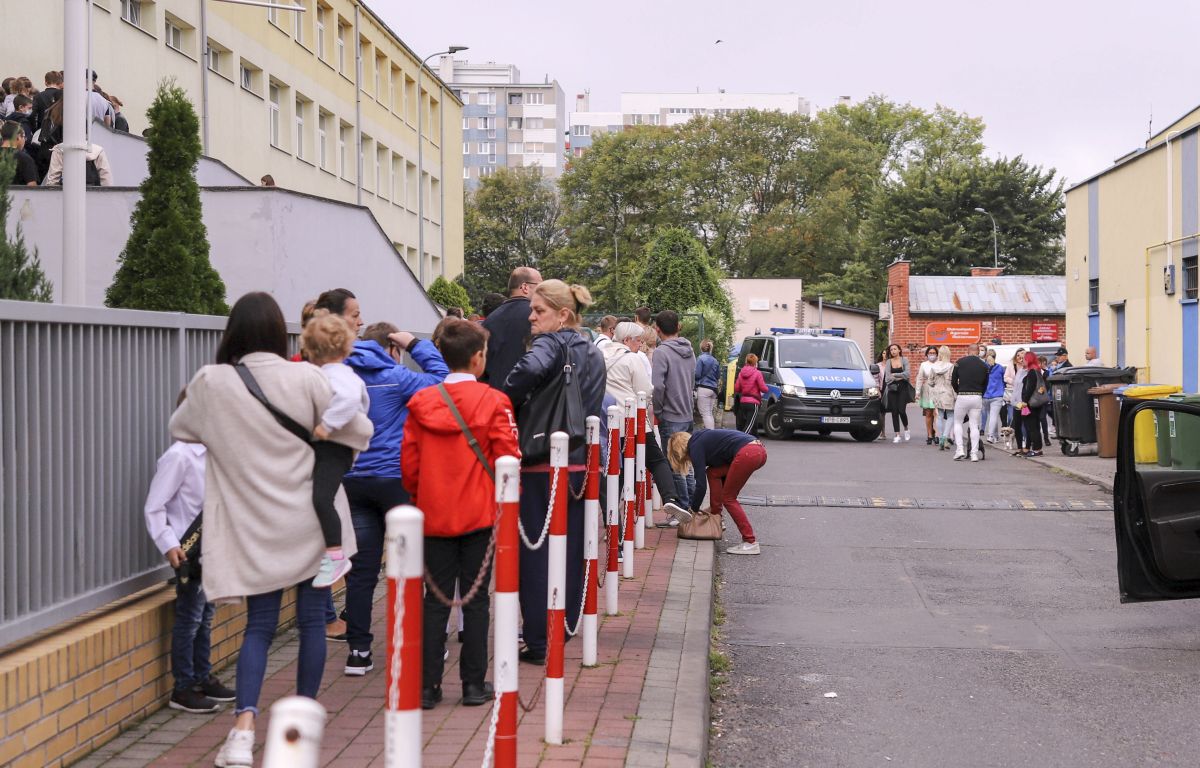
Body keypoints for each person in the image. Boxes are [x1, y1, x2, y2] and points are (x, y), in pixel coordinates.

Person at [170, 292, 368, 767]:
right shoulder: (307, 376)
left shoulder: (211, 381)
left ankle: (242, 729)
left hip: (253, 524)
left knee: (258, 626)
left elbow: (182, 428)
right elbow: (356, 429)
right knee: (312, 618)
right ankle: (300, 725)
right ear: (281, 334)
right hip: (312, 521)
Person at [403, 320, 518, 710]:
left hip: (434, 512)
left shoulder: (421, 403)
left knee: (433, 602)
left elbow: (410, 466)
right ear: (477, 357)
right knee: (477, 601)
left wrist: (423, 498)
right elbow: (507, 457)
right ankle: (473, 684)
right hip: (480, 512)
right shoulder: (494, 401)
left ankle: (426, 686)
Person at [502, 280, 606, 665]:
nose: (530, 317)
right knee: (571, 548)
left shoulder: (550, 342)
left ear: (562, 314)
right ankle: (563, 623)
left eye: (538, 310)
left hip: (541, 462)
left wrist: (506, 398)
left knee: (534, 551)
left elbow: (529, 368)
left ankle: (537, 638)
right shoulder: (593, 353)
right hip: (578, 465)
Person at [341, 320, 448, 675]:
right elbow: (443, 379)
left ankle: (358, 651)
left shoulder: (339, 374)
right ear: (392, 349)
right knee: (411, 563)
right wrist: (417, 344)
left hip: (352, 480)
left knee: (361, 570)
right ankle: (420, 641)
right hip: (395, 480)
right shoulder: (397, 377)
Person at [143, 391, 235, 715]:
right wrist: (169, 544)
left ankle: (202, 676)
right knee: (190, 617)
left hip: (213, 547)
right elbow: (155, 506)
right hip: (189, 550)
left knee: (206, 616)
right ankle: (183, 687)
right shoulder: (179, 456)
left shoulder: (214, 452)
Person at [301, 311, 373, 589]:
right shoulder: (340, 373)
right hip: (337, 447)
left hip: (336, 446)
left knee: (321, 497)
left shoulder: (337, 376)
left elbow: (349, 400)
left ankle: (335, 554)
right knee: (319, 496)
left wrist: (326, 426)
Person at [604, 321, 693, 526]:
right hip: (634, 420)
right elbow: (645, 388)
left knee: (616, 468)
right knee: (657, 460)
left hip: (609, 422)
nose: (640, 344)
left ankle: (612, 515)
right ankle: (670, 498)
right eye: (637, 340)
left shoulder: (601, 355)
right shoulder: (632, 359)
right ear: (626, 340)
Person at [667, 429, 767, 555]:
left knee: (729, 498)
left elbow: (701, 486)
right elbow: (721, 473)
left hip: (748, 453)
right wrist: (714, 510)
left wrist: (693, 510)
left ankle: (750, 541)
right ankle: (717, 517)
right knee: (713, 472)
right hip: (758, 450)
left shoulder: (695, 446)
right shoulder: (701, 439)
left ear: (679, 451)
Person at [653, 310, 698, 503]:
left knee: (674, 465)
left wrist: (657, 410)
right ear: (678, 326)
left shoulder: (661, 352)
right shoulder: (689, 349)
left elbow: (657, 386)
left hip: (670, 414)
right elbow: (693, 379)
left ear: (657, 329)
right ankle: (693, 505)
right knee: (686, 463)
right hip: (687, 413)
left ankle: (682, 508)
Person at [482, 266, 542, 387]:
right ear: (525, 287)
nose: (542, 291)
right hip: (529, 393)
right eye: (539, 286)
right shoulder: (538, 317)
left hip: (496, 395)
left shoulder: (489, 320)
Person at [951, 348, 988, 462]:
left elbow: (953, 380)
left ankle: (960, 450)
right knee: (974, 425)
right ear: (978, 352)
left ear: (968, 350)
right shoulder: (984, 365)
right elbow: (986, 383)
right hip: (976, 396)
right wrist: (980, 393)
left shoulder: (959, 362)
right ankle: (974, 454)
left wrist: (958, 390)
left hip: (963, 395)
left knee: (957, 422)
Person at [1018, 351, 1048, 457]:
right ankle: (1031, 448)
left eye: (1025, 359)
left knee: (1032, 427)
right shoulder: (1037, 370)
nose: (1023, 361)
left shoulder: (1032, 372)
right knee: (1033, 426)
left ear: (1029, 360)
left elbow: (1029, 388)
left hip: (1030, 403)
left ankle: (1037, 449)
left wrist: (1024, 402)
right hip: (1036, 403)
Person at [882, 343, 913, 443]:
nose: (893, 351)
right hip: (892, 388)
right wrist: (900, 376)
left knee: (901, 410)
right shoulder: (888, 362)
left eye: (895, 349)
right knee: (894, 411)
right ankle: (897, 434)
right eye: (891, 350)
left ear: (899, 350)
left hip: (903, 387)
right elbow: (888, 377)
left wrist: (895, 374)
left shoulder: (904, 360)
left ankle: (906, 428)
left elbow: (907, 374)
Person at [44, 141, 113, 186]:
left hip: (67, 198)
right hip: (95, 196)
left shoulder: (59, 150)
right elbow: (107, 182)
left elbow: (52, 181)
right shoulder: (98, 150)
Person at [928, 346, 956, 450]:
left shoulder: (934, 366)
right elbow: (954, 381)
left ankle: (940, 438)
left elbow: (930, 382)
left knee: (939, 415)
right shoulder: (951, 366)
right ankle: (945, 437)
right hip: (948, 392)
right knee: (950, 415)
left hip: (937, 393)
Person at [734, 353, 768, 435]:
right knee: (749, 425)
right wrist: (767, 388)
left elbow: (737, 388)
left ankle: (756, 440)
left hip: (743, 402)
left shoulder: (741, 373)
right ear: (755, 363)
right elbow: (764, 389)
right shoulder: (757, 373)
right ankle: (741, 441)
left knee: (753, 424)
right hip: (754, 403)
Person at [914, 345, 940, 445]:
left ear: (937, 354)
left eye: (934, 353)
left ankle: (937, 434)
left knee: (936, 413)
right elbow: (920, 379)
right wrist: (917, 392)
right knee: (928, 413)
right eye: (930, 353)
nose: (932, 355)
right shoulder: (924, 365)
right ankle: (929, 434)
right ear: (927, 354)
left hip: (938, 389)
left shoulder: (940, 364)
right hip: (927, 390)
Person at [1, 121, 39, 186]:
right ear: (18, 137)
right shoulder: (25, 159)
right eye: (24, 136)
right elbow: (32, 186)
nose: (25, 139)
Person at [694, 339, 720, 430]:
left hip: (704, 388)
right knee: (709, 413)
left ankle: (710, 434)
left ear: (701, 348)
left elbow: (697, 374)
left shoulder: (700, 359)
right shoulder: (715, 360)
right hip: (713, 389)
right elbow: (718, 376)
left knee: (705, 414)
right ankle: (709, 432)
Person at [1006, 348, 1027, 453]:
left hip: (1023, 399)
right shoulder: (1012, 366)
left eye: (1022, 356)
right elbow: (1005, 377)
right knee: (1012, 419)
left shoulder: (1026, 369)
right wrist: (1013, 382)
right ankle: (1018, 444)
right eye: (1018, 356)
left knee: (1024, 422)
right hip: (1013, 396)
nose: (1020, 358)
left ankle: (1024, 441)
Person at [983, 349, 1006, 444]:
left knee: (992, 416)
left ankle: (995, 436)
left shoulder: (983, 368)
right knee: (994, 416)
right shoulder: (1000, 368)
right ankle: (990, 435)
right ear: (995, 357)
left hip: (985, 396)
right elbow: (1005, 381)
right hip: (997, 395)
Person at [31, 71, 62, 136]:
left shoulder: (38, 96)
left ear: (45, 82)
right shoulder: (63, 95)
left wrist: (34, 130)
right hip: (60, 131)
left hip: (42, 131)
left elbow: (33, 115)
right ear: (60, 82)